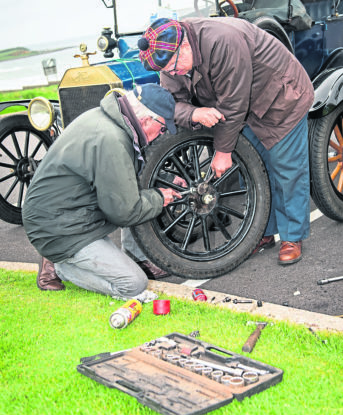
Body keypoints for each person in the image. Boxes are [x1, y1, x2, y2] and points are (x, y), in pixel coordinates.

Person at [138, 17, 314, 265]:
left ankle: (292, 236)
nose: (172, 73)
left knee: (287, 170)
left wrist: (222, 151)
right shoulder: (170, 62)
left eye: (173, 67)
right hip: (246, 108)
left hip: (280, 99)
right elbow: (172, 105)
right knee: (255, 170)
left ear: (185, 46)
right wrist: (192, 114)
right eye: (165, 71)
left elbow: (233, 105)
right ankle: (263, 231)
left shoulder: (222, 40)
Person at [22, 84, 181, 298]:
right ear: (147, 120)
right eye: (162, 128)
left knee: (136, 193)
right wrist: (160, 197)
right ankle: (61, 265)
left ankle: (133, 255)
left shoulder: (107, 119)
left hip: (64, 212)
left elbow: (128, 176)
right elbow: (125, 211)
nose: (162, 134)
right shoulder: (112, 139)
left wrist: (169, 179)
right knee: (134, 284)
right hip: (62, 227)